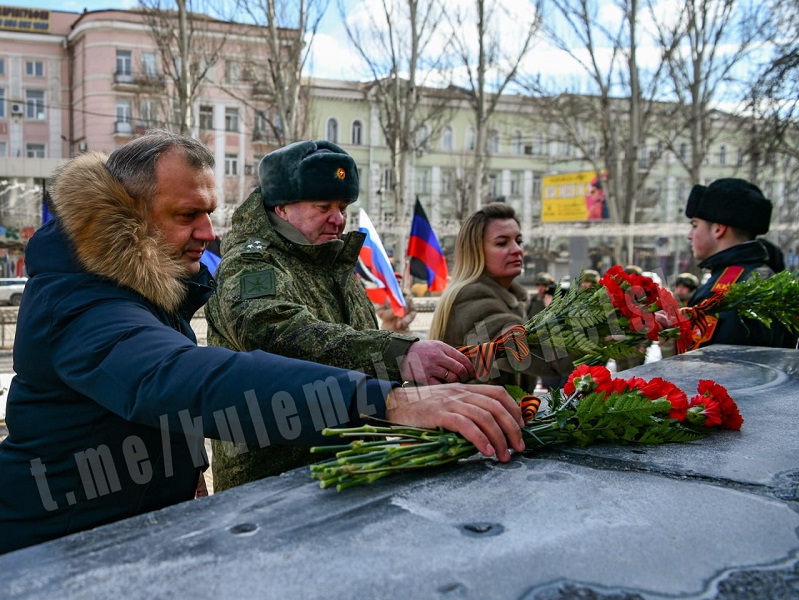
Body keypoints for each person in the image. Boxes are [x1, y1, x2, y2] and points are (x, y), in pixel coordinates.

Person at [0, 131, 524, 555]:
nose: (208, 233)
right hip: (50, 545)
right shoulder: (83, 300)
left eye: (209, 213)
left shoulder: (146, 287)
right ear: (125, 216)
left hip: (119, 533)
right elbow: (182, 380)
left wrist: (187, 477)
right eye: (187, 215)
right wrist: (387, 397)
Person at [204, 140, 475, 489]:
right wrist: (400, 353)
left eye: (343, 207)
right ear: (282, 208)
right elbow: (273, 333)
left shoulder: (332, 262)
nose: (339, 219)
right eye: (323, 206)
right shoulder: (252, 263)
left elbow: (354, 354)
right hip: (274, 476)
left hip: (349, 463)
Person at [428, 203, 573, 391]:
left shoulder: (503, 297)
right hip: (474, 417)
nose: (517, 250)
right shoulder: (474, 299)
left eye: (518, 241)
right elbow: (545, 356)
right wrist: (604, 326)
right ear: (476, 252)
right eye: (502, 243)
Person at [685, 177, 797, 348]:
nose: (690, 235)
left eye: (694, 224)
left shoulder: (723, 294)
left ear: (718, 229)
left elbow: (705, 366)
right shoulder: (767, 275)